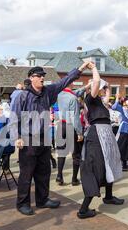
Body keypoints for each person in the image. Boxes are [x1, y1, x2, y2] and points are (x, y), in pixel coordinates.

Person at [11, 63, 89, 216]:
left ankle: (42, 199)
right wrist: (17, 137)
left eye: (43, 76)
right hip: (28, 139)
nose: (42, 78)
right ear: (30, 78)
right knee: (26, 174)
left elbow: (65, 81)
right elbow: (14, 117)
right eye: (38, 76)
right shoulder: (23, 95)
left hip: (44, 138)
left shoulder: (48, 92)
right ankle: (22, 203)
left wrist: (81, 68)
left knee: (44, 172)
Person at [78, 63, 124, 219]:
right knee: (97, 168)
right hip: (96, 136)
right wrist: (93, 69)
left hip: (106, 134)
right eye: (101, 88)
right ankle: (83, 209)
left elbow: (106, 95)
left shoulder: (100, 102)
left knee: (110, 162)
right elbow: (96, 83)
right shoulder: (90, 99)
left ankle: (109, 196)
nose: (103, 91)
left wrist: (109, 87)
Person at [55, 85, 84, 186]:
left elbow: (77, 91)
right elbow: (75, 118)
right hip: (71, 125)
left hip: (61, 124)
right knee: (76, 154)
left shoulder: (59, 95)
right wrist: (80, 133)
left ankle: (59, 176)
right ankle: (74, 179)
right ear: (71, 86)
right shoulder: (73, 98)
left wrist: (87, 86)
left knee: (61, 152)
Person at [112, 94, 128, 171]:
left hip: (124, 130)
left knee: (122, 147)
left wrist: (117, 99)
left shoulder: (123, 109)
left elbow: (114, 107)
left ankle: (124, 164)